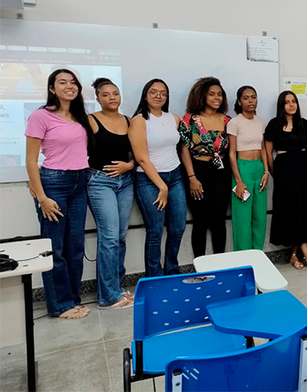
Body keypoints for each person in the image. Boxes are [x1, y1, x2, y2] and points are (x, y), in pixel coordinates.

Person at [25, 69, 92, 319]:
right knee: (55, 247)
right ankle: (59, 305)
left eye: (73, 82)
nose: (69, 86)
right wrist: (42, 197)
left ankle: (72, 299)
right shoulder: (40, 116)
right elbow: (31, 161)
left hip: (79, 181)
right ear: (52, 89)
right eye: (62, 82)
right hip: (53, 183)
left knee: (75, 247)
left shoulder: (79, 116)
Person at [129, 79, 186, 277]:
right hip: (149, 180)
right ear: (145, 95)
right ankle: (155, 276)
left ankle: (172, 271)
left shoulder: (174, 118)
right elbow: (141, 158)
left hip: (175, 176)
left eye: (163, 92)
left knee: (178, 227)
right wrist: (162, 187)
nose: (158, 96)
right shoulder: (138, 121)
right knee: (155, 231)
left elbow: (178, 147)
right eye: (153, 92)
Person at [86, 78, 134, 309]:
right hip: (100, 182)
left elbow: (138, 152)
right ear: (98, 98)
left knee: (120, 237)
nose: (112, 97)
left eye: (115, 93)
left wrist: (130, 165)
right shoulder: (91, 120)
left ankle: (117, 286)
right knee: (109, 238)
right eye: (106, 94)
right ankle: (107, 296)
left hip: (126, 182)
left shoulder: (128, 120)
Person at [265, 91, 307, 271]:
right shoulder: (274, 125)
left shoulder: (303, 124)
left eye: (294, 101)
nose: (291, 105)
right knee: (291, 210)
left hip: (303, 171)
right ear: (281, 106)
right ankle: (306, 256)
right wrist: (277, 172)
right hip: (283, 172)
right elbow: (268, 152)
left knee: (304, 209)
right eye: (287, 102)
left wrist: (301, 162)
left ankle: (294, 254)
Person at [179, 77, 231, 257]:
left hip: (221, 172)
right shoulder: (189, 120)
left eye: (219, 94)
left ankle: (219, 264)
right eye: (212, 94)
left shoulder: (227, 121)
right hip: (197, 171)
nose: (217, 98)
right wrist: (192, 178)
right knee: (201, 221)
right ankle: (200, 267)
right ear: (202, 96)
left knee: (219, 221)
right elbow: (184, 150)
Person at [228, 85, 269, 251]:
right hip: (242, 169)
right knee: (243, 218)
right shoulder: (234, 123)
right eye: (246, 98)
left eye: (253, 97)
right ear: (239, 101)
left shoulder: (260, 121)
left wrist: (266, 171)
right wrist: (238, 180)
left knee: (259, 216)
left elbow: (264, 148)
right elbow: (231, 154)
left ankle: (258, 255)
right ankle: (243, 258)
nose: (250, 101)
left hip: (259, 168)